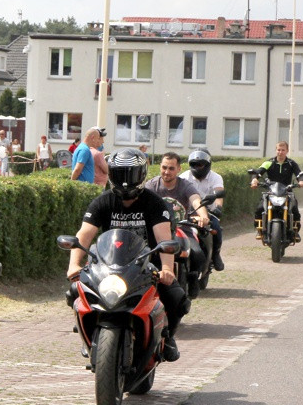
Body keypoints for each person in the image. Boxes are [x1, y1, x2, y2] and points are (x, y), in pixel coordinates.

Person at [66, 148, 187, 362]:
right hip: (108, 267)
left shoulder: (155, 204)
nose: (124, 181)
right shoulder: (102, 202)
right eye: (120, 174)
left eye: (129, 174)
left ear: (140, 175)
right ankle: (90, 336)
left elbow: (163, 238)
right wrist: (74, 264)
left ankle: (167, 336)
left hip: (148, 268)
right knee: (75, 291)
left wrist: (167, 269)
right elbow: (84, 235)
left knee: (176, 298)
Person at [179, 149, 225, 271]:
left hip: (209, 212)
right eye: (194, 164)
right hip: (187, 212)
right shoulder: (183, 177)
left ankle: (215, 254)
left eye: (200, 164)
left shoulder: (216, 177)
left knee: (216, 228)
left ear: (208, 164)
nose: (197, 167)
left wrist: (218, 208)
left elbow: (218, 195)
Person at [251, 140, 303, 241]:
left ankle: (295, 232)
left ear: (287, 151)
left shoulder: (291, 163)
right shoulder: (269, 162)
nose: (280, 152)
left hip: (287, 191)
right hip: (271, 191)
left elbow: (299, 174)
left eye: (283, 150)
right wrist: (254, 179)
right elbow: (259, 172)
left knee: (295, 210)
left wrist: (301, 181)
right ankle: (259, 230)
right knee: (259, 209)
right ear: (276, 150)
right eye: (278, 150)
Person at [145, 152, 210, 229]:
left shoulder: (186, 185)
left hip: (183, 232)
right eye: (164, 167)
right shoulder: (151, 186)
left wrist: (203, 217)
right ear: (160, 167)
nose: (167, 172)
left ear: (179, 169)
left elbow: (196, 202)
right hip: (157, 232)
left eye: (171, 168)